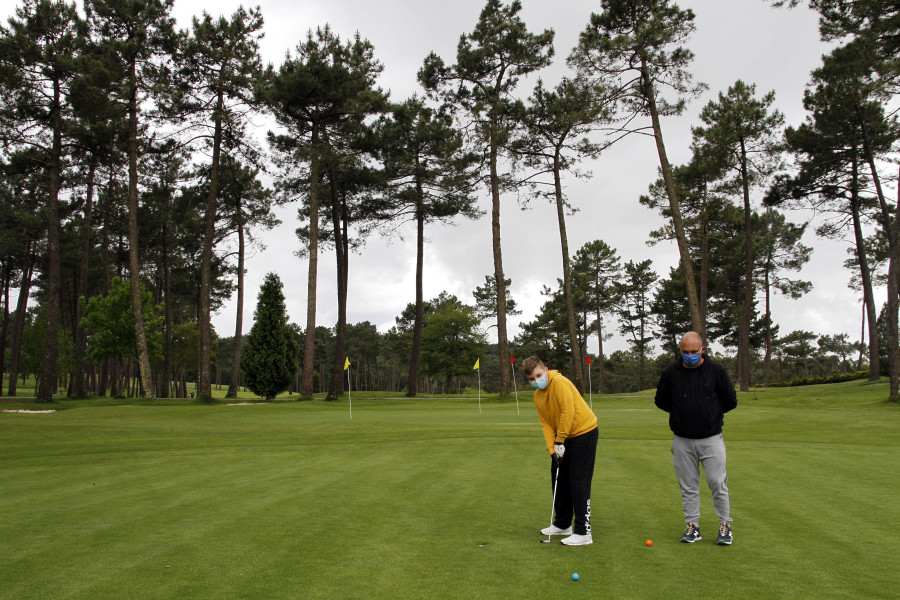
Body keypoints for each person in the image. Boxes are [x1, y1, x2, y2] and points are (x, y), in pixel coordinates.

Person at [654, 331, 738, 545]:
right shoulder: (670, 373)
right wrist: (683, 413)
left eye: (693, 351)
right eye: (685, 352)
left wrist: (709, 414)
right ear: (680, 351)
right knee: (688, 486)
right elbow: (661, 401)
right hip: (682, 440)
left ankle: (725, 525)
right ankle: (693, 526)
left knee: (717, 483)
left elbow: (730, 401)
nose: (689, 355)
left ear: (702, 350)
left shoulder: (716, 371)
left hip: (711, 438)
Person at [523, 356, 598, 546]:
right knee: (558, 476)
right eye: (532, 379)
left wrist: (560, 440)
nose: (536, 380)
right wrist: (552, 450)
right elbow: (546, 423)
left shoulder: (560, 383)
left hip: (584, 432)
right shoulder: (538, 396)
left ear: (545, 370)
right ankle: (563, 524)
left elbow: (568, 412)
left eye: (538, 375)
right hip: (563, 438)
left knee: (578, 480)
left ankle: (583, 532)